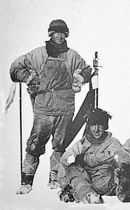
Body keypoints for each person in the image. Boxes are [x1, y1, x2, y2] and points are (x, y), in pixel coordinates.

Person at [9, 19, 92, 194]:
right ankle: (27, 181)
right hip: (44, 109)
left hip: (65, 108)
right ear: (50, 34)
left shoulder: (72, 56)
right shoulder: (37, 55)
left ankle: (54, 179)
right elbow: (15, 68)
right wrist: (29, 77)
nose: (59, 36)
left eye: (62, 33)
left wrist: (80, 78)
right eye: (56, 33)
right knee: (34, 145)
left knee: (60, 145)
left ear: (66, 35)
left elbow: (86, 70)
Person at [57, 108, 122, 204]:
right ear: (89, 126)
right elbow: (65, 160)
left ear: (105, 126)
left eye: (100, 125)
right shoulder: (82, 143)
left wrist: (85, 158)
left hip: (105, 180)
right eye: (93, 125)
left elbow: (115, 157)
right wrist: (63, 183)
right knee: (72, 168)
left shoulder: (113, 142)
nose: (96, 130)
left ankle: (78, 192)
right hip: (86, 180)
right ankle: (89, 196)